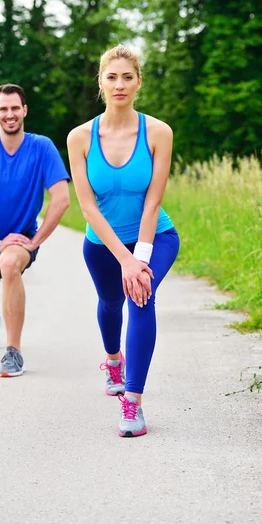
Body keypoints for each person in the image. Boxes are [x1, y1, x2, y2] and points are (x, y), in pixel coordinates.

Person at [67, 45, 180, 437]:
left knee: (140, 295)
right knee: (110, 302)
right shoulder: (80, 138)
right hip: (101, 244)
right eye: (111, 77)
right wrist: (123, 260)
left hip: (155, 237)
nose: (119, 84)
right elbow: (88, 209)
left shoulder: (158, 132)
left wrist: (139, 261)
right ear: (100, 82)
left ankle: (132, 403)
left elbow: (153, 201)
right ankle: (114, 360)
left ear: (138, 83)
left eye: (127, 77)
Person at [0, 83, 70, 377]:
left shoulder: (42, 147)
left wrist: (33, 242)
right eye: (3, 109)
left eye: (15, 108)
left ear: (24, 110)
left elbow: (61, 200)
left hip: (20, 240)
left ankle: (13, 352)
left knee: (9, 263)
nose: (10, 114)